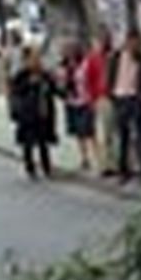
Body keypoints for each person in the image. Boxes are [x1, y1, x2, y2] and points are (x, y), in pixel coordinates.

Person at [108, 29, 141, 184]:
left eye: (140, 43)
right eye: (134, 42)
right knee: (123, 136)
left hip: (136, 98)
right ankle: (124, 171)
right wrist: (112, 95)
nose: (136, 46)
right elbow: (109, 77)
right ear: (127, 42)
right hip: (120, 98)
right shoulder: (115, 58)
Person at [8, 47, 60, 180]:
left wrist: (64, 92)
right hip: (27, 115)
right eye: (33, 58)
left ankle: (47, 167)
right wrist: (29, 84)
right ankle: (30, 167)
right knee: (28, 143)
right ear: (26, 60)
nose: (36, 61)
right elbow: (15, 92)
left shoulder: (44, 74)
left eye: (38, 58)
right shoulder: (21, 75)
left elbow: (54, 89)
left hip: (43, 112)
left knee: (43, 142)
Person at [60, 41, 99, 172]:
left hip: (85, 100)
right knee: (78, 132)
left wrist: (93, 99)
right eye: (67, 51)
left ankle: (98, 158)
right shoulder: (65, 66)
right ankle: (84, 158)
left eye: (72, 50)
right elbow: (61, 83)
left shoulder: (85, 64)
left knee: (89, 131)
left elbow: (91, 79)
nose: (69, 53)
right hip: (72, 101)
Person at [83, 27, 116, 177]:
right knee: (104, 133)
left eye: (107, 38)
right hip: (101, 97)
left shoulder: (115, 56)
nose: (105, 42)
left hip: (116, 97)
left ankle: (117, 162)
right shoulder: (93, 58)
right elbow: (88, 80)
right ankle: (104, 164)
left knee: (117, 132)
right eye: (102, 39)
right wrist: (92, 99)